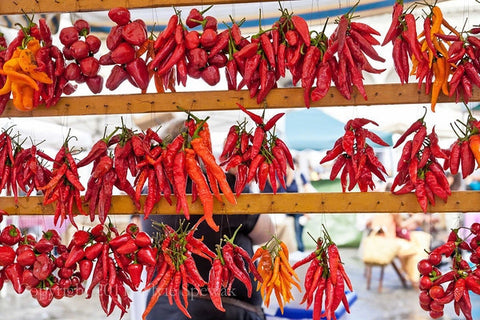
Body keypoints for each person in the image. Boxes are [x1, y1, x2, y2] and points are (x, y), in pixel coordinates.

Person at [141, 119, 275, 320]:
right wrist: (241, 183)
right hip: (227, 310)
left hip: (164, 309)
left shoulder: (150, 192)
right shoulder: (226, 187)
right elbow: (267, 232)